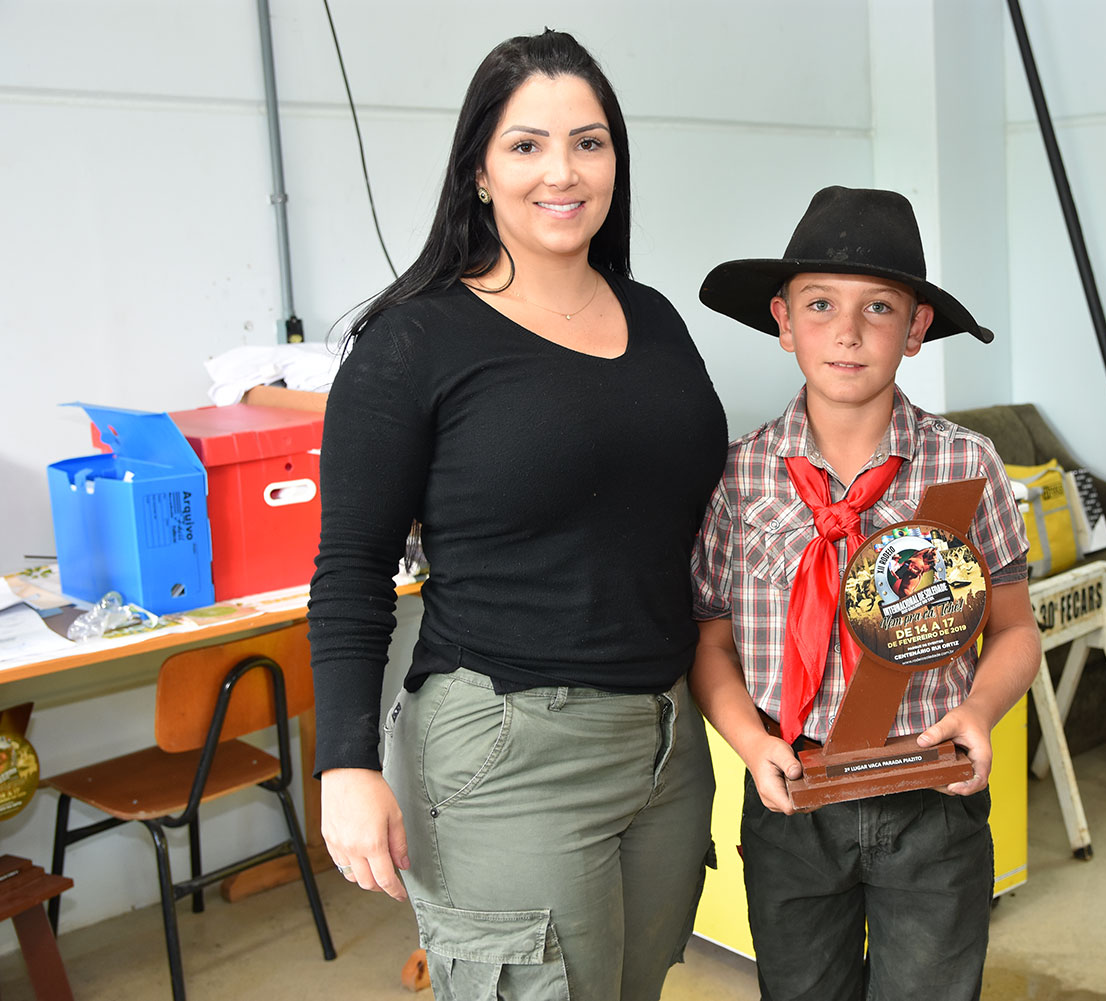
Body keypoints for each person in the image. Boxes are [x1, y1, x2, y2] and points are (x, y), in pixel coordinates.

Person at [307, 29, 728, 1001]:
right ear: (479, 172)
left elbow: (693, 522)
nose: (563, 171)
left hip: (667, 736)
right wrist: (344, 763)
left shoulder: (655, 319)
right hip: (507, 746)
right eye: (527, 145)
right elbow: (352, 567)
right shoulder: (414, 342)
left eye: (590, 142)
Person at [690, 185, 1042, 1001]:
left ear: (916, 329)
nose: (847, 333)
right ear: (782, 320)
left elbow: (1016, 629)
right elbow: (707, 639)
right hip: (790, 799)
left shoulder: (966, 466)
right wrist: (750, 743)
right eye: (820, 304)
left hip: (933, 797)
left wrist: (980, 713)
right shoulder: (737, 477)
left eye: (879, 307)